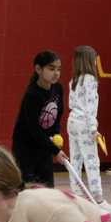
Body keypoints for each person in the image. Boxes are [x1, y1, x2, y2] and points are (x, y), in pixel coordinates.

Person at [66, 45, 111, 211]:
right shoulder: (90, 80)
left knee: (75, 161)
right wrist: (93, 129)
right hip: (84, 124)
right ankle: (99, 200)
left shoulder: (74, 80)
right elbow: (90, 106)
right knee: (92, 161)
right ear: (89, 60)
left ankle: (76, 196)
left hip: (72, 122)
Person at [11, 50, 64, 188]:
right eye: (51, 69)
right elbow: (34, 129)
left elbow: (58, 116)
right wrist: (56, 151)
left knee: (47, 189)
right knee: (26, 189)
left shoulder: (58, 88)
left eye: (58, 69)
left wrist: (56, 134)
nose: (56, 73)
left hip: (43, 146)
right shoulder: (32, 95)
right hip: (25, 149)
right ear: (38, 69)